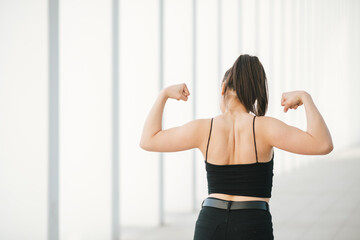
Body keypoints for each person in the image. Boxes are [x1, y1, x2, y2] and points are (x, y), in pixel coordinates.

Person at [140, 54, 333, 240]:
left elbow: (148, 140)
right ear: (255, 93)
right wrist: (305, 97)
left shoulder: (203, 128)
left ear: (223, 88)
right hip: (253, 222)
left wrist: (164, 94)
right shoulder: (265, 127)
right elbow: (322, 144)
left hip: (210, 221)